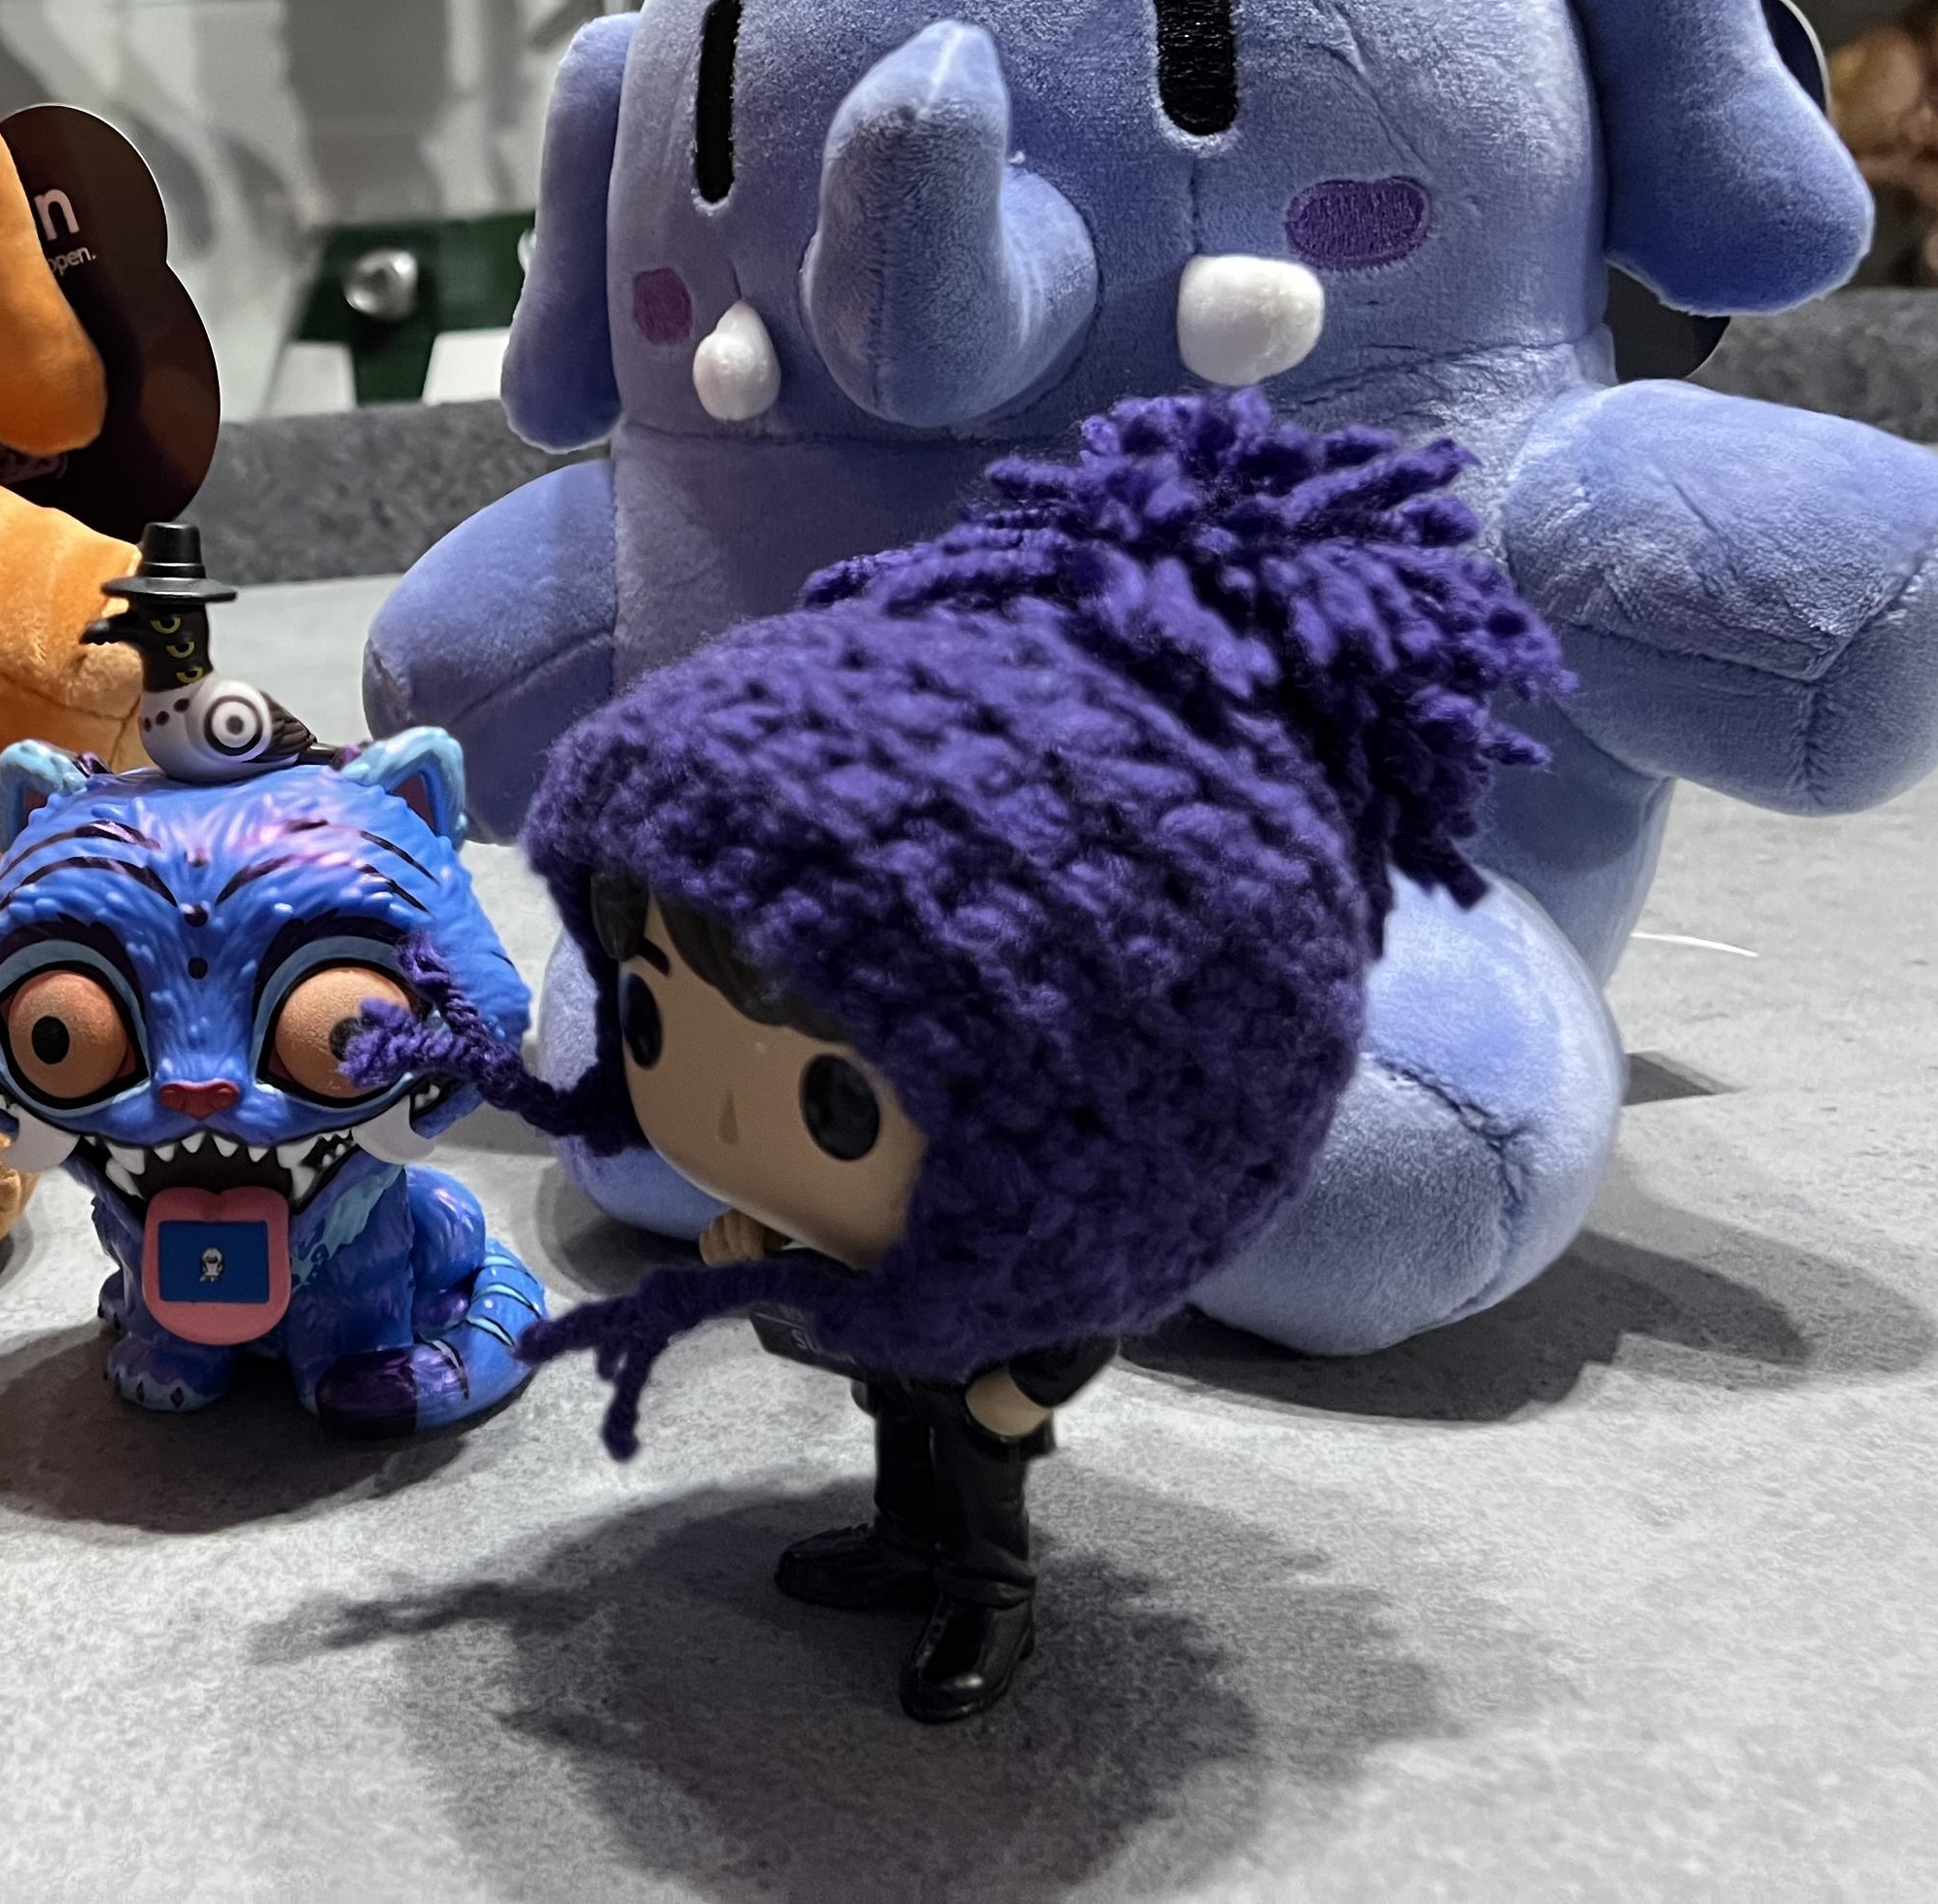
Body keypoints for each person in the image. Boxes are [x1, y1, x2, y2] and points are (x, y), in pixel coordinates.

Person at [352, 391, 1568, 1721]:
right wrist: (764, 1242)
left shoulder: (1066, 1238)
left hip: (978, 1347)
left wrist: (1020, 1382)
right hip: (890, 1319)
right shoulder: (852, 1207)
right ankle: (902, 1536)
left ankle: (987, 1583)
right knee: (898, 1423)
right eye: (644, 1020)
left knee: (968, 1454)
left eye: (837, 1099)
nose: (705, 1109)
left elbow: (1083, 1309)